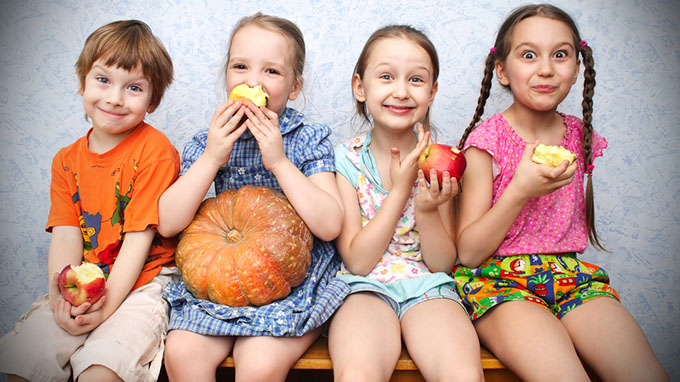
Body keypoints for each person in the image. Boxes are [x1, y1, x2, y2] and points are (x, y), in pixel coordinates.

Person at [454, 4, 669, 381]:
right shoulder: (485, 143)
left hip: (570, 276)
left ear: (576, 67)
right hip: (500, 284)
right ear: (502, 70)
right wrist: (519, 190)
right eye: (528, 55)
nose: (546, 68)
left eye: (560, 54)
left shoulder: (578, 136)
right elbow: (469, 252)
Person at [158, 12, 348, 382]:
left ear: (295, 87)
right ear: (226, 76)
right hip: (224, 277)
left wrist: (278, 161)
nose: (252, 81)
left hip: (292, 279)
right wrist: (213, 156)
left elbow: (329, 225)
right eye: (240, 67)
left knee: (259, 364)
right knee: (181, 354)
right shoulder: (209, 139)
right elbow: (168, 221)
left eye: (271, 71)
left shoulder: (307, 137)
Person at [0, 20, 179, 382]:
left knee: (102, 369)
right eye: (103, 80)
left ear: (152, 100)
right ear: (83, 81)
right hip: (87, 279)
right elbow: (67, 236)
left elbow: (138, 241)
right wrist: (61, 302)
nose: (114, 98)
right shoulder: (65, 160)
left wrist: (105, 308)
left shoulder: (155, 151)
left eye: (133, 87)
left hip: (145, 281)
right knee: (25, 360)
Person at [329, 25, 484, 382]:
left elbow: (443, 262)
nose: (401, 91)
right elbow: (358, 261)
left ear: (432, 92)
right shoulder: (345, 161)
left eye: (416, 80)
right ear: (360, 86)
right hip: (363, 289)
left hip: (428, 286)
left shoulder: (442, 161)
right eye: (386, 76)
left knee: (462, 375)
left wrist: (428, 209)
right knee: (357, 375)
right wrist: (401, 191)